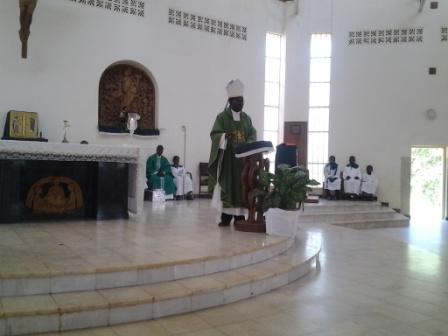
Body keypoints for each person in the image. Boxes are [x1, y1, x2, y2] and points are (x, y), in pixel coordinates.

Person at [208, 79, 257, 226]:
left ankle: (240, 217)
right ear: (230, 101)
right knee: (229, 187)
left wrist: (248, 144)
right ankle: (226, 216)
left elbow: (252, 134)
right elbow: (214, 134)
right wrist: (224, 136)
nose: (241, 103)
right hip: (229, 160)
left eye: (242, 100)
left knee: (242, 187)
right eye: (238, 100)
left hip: (243, 162)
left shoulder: (247, 118)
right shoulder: (222, 117)